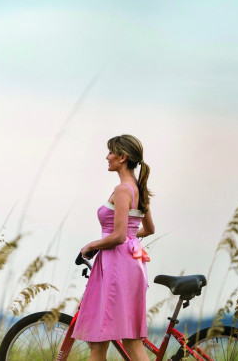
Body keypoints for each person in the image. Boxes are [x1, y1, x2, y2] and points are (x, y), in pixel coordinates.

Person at [74, 134, 156, 360]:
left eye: (111, 152)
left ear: (122, 157)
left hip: (116, 266)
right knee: (104, 343)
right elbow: (147, 229)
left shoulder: (122, 190)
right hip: (130, 264)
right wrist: (129, 237)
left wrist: (92, 245)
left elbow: (118, 236)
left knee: (125, 342)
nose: (107, 157)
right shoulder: (138, 188)